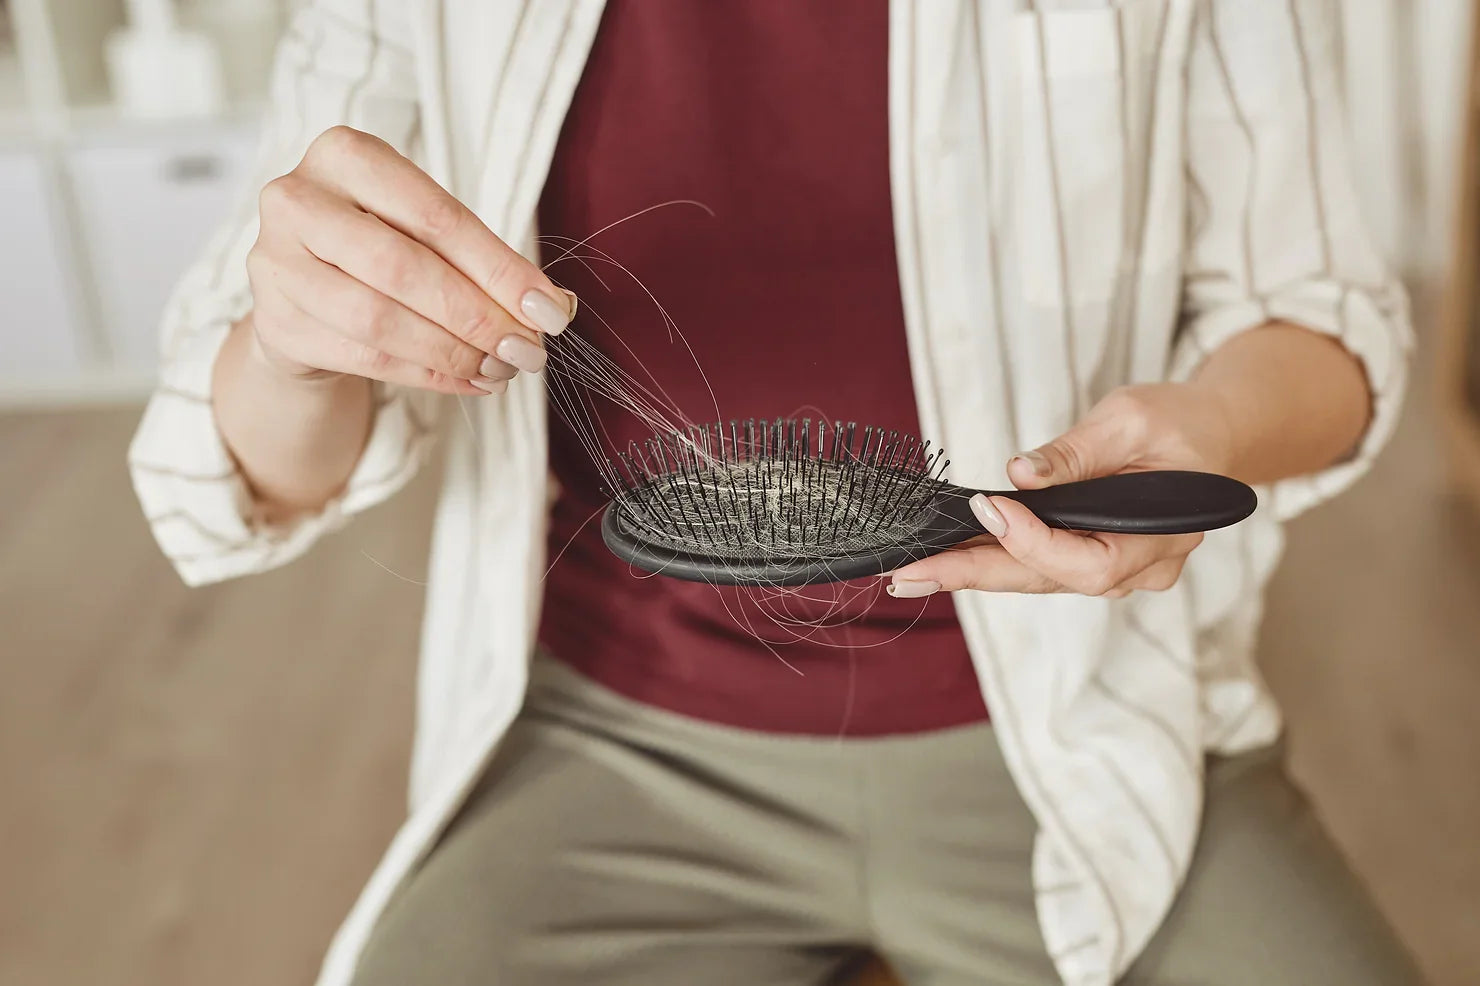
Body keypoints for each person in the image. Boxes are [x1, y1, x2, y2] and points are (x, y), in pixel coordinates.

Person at [128, 1, 1426, 984]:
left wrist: (1207, 427)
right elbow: (233, 471)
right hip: (609, 745)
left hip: (1094, 718)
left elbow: (1322, 323)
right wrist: (294, 339)